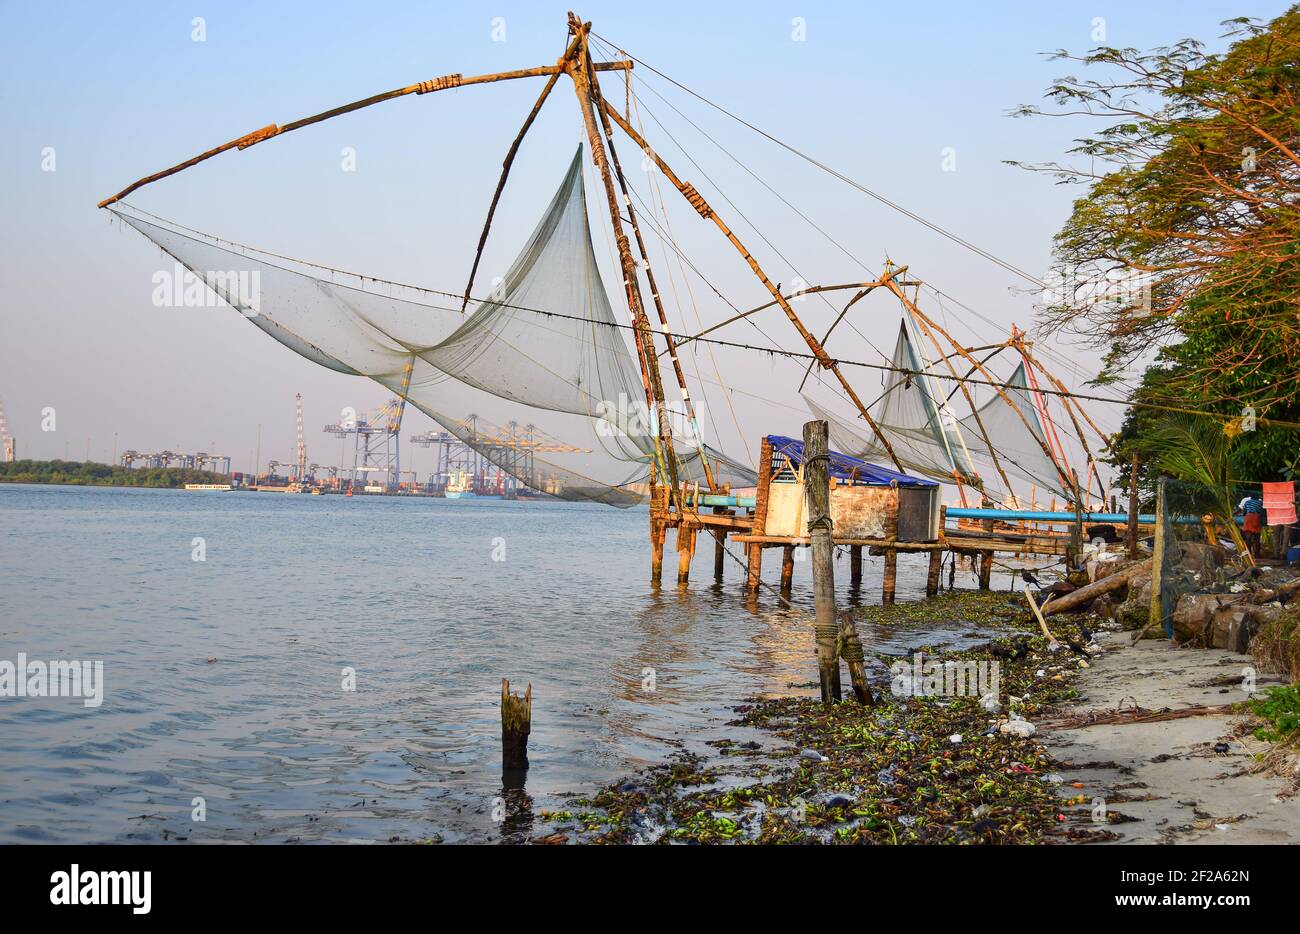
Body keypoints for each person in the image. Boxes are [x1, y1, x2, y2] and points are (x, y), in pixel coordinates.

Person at [1239, 493, 1265, 559]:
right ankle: (1257, 554)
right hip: (1257, 518)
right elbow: (1263, 512)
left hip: (1249, 517)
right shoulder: (1261, 502)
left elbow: (1244, 511)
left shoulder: (1247, 502)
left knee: (1248, 536)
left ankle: (1248, 553)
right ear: (1258, 497)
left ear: (1251, 497)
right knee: (1257, 537)